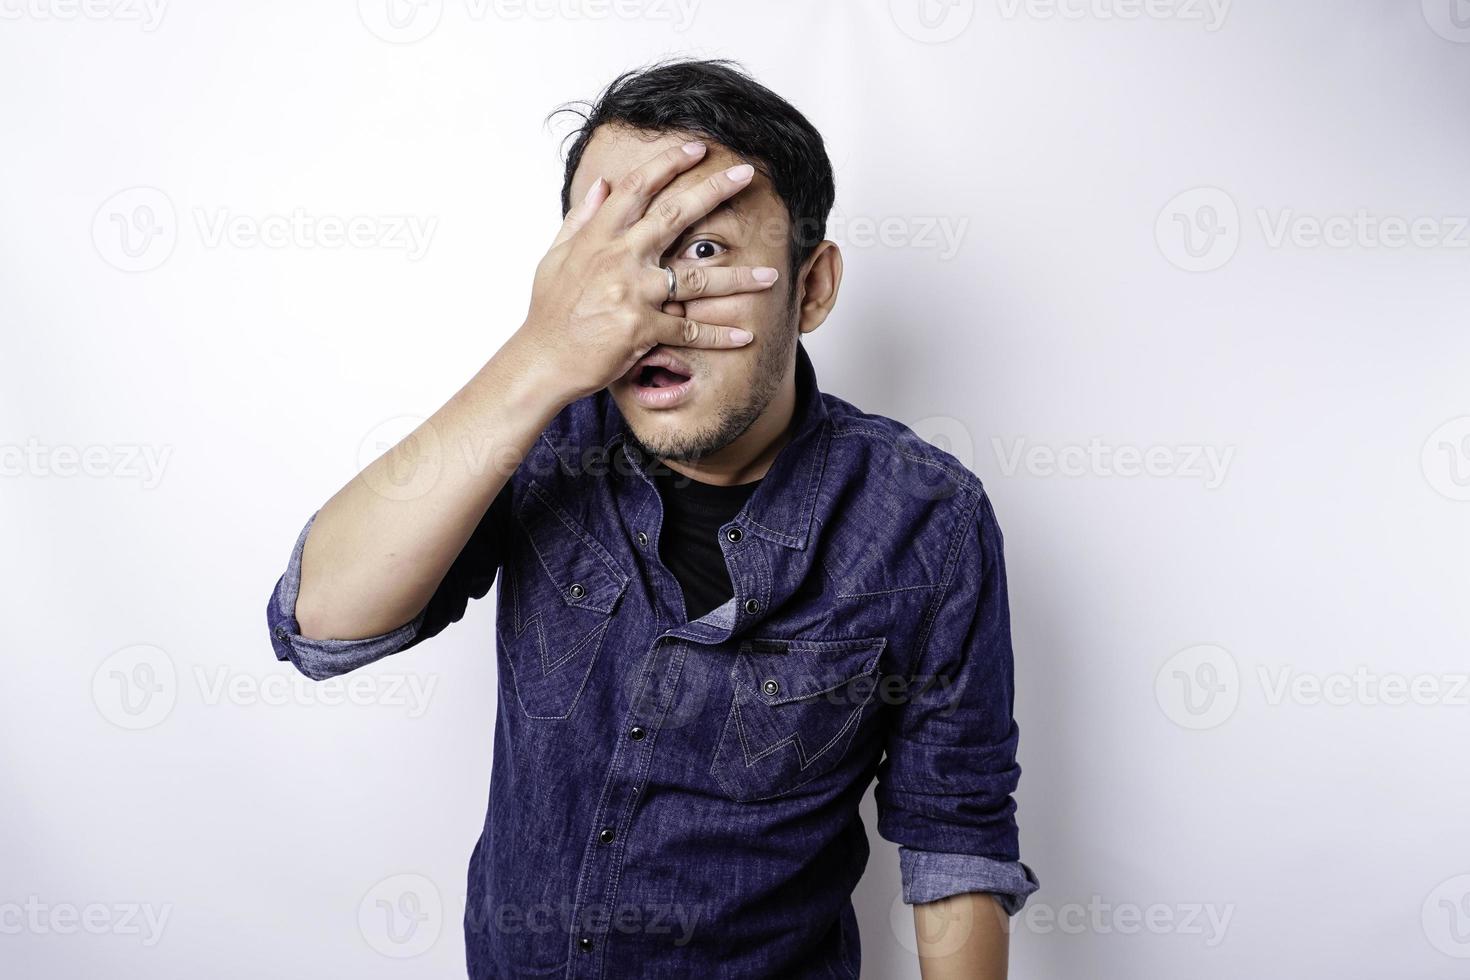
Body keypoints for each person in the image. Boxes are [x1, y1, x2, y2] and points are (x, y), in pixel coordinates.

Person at [266, 58, 1037, 979]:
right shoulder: (536, 433)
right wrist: (541, 354)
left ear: (814, 287)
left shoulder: (928, 520)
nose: (654, 301)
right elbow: (321, 622)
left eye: (704, 250)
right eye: (618, 254)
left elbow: (955, 845)